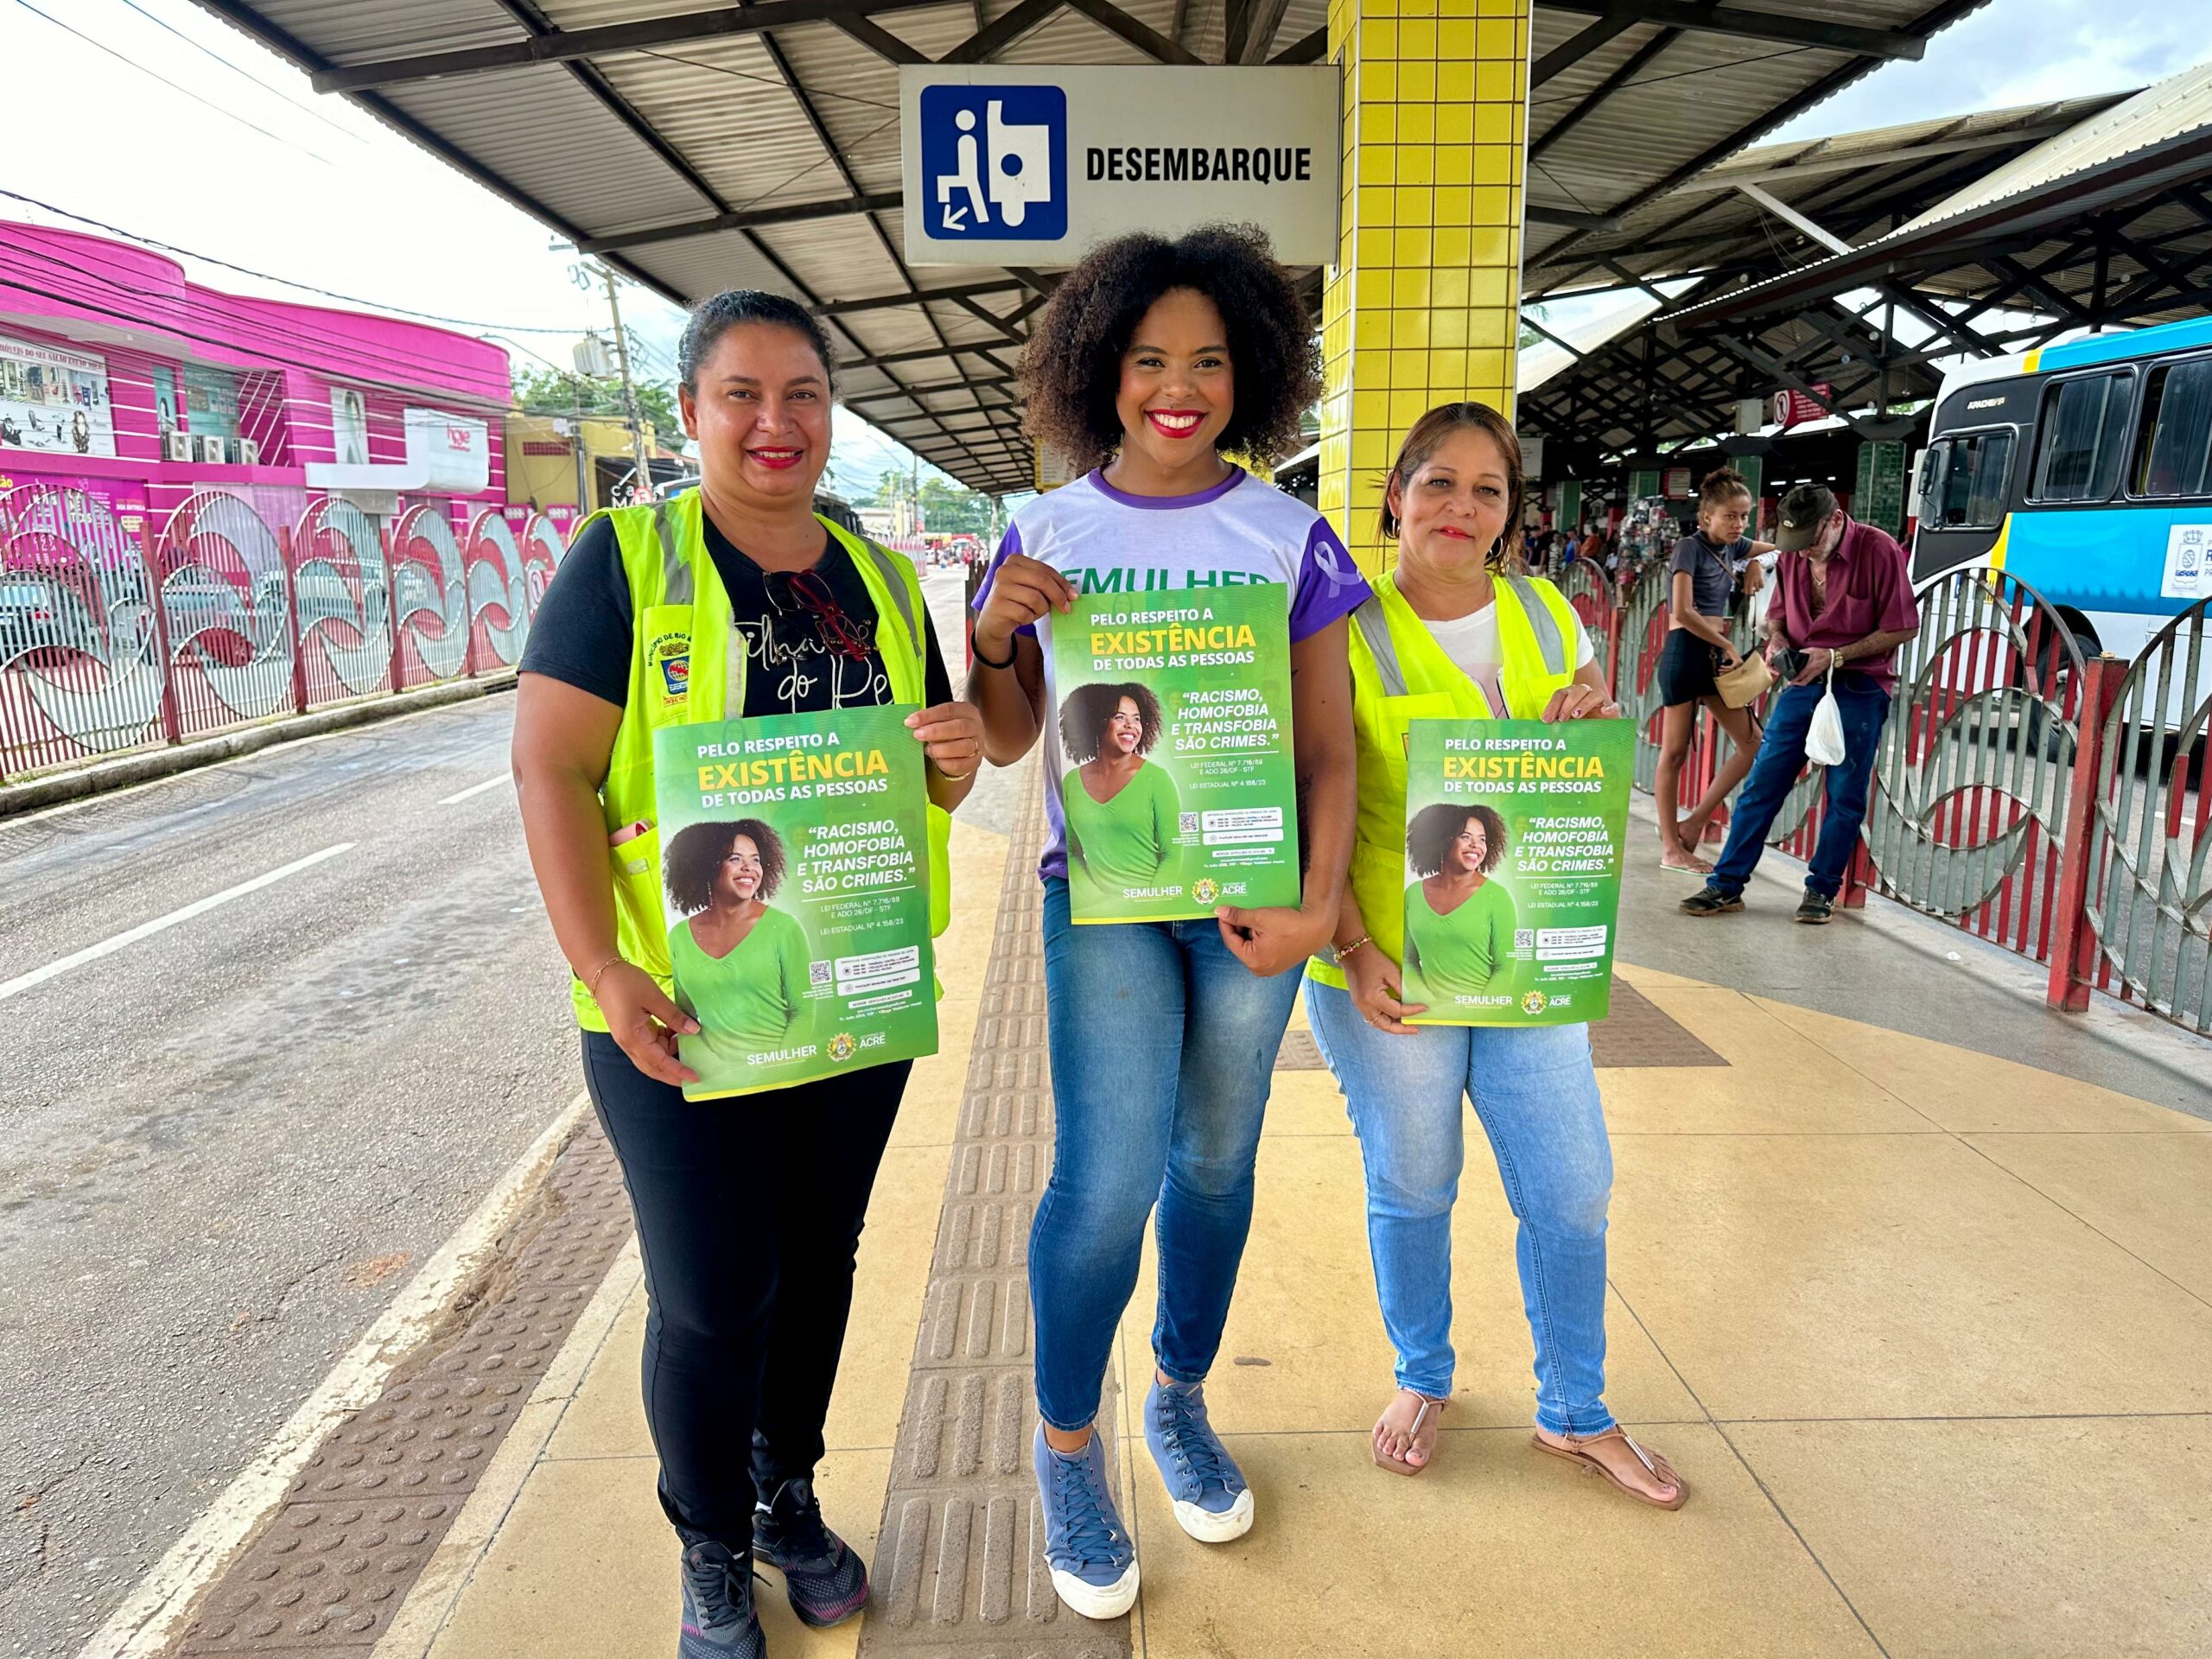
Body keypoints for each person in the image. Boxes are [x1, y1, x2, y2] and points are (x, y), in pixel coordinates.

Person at [511, 289, 985, 1659]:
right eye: (743, 394)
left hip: (848, 999)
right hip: (673, 1009)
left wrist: (950, 764)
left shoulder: (886, 579)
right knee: (716, 1292)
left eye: (804, 394)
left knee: (819, 1264)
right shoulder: (625, 558)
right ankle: (708, 1541)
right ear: (692, 411)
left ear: (834, 411)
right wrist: (601, 965)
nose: (777, 423)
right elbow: (550, 765)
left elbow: (918, 789)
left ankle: (787, 1491)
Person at [968, 225, 1367, 1619]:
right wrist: (998, 641)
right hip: (1109, 900)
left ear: (1250, 368)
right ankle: (1067, 1441)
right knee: (1109, 1176)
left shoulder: (1285, 532)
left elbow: (1331, 745)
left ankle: (1181, 1398)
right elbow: (1015, 742)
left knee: (1214, 1160)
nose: (1177, 388)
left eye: (1208, 360)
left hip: (1251, 899)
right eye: (1148, 361)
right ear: (1102, 371)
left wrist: (1320, 904)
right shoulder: (1044, 527)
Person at [1301, 399, 1685, 1509]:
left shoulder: (1550, 614)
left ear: (1511, 511)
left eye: (1487, 490)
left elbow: (1574, 776)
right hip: (1382, 963)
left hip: (1522, 960)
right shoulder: (1342, 627)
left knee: (1571, 1189)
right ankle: (1423, 1374)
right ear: (1394, 495)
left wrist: (1597, 723)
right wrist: (1357, 945)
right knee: (1415, 1183)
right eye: (1438, 483)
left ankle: (1575, 1408)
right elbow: (1306, 798)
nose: (1460, 509)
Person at [1681, 482, 1921, 925]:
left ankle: (1821, 889)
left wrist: (1837, 655)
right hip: (1802, 680)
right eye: (1796, 545)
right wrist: (1776, 641)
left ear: (1834, 521)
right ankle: (1726, 883)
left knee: (1845, 794)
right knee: (1763, 782)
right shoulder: (1794, 551)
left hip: (1861, 682)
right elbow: (1777, 615)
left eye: (1811, 543)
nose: (1804, 553)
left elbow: (1904, 626)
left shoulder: (1878, 549)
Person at [1653, 468, 1775, 874]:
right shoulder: (1689, 547)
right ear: (1706, 516)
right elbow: (1682, 611)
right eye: (1730, 516)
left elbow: (1779, 547)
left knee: (1753, 742)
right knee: (1674, 753)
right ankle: (1672, 847)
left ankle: (1695, 820)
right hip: (1687, 652)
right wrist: (1725, 643)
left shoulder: (1734, 547)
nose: (1738, 524)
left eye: (1743, 516)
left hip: (1715, 659)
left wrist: (1755, 561)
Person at [662, 818, 810, 1081]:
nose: (749, 868)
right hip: (712, 1079)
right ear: (707, 865)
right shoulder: (680, 938)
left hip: (779, 1076)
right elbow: (686, 1019)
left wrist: (779, 1075)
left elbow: (803, 1012)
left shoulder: (784, 928)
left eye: (755, 860)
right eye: (734, 858)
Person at [1058, 681, 1181, 910]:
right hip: (1097, 909)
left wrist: (1150, 905)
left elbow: (1172, 854)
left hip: (1151, 909)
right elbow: (1073, 852)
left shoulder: (1158, 779)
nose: (1131, 726)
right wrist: (1097, 902)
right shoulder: (1071, 783)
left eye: (1136, 718)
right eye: (1119, 717)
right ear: (1097, 721)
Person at [1402, 802, 1516, 997]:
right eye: (1465, 837)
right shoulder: (1413, 894)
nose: (1476, 845)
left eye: (1482, 839)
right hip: (1432, 1014)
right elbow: (1408, 961)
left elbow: (1505, 968)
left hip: (1485, 1010)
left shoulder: (1497, 897)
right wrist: (1431, 1006)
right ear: (1443, 840)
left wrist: (1481, 1010)